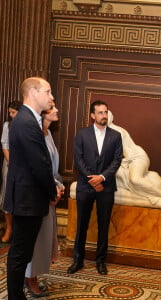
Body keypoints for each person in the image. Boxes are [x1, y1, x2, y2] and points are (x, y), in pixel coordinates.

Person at [3, 77, 62, 300]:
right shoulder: (27, 122)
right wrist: (52, 192)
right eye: (48, 92)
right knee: (20, 254)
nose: (52, 97)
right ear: (33, 93)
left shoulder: (28, 119)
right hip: (27, 199)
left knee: (23, 252)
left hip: (27, 197)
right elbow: (39, 164)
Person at [67, 100, 122, 276]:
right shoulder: (82, 134)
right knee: (81, 224)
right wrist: (92, 178)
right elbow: (78, 159)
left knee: (104, 225)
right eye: (100, 112)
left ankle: (100, 261)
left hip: (106, 187)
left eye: (105, 112)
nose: (104, 115)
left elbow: (117, 160)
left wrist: (102, 177)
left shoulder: (115, 136)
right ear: (92, 115)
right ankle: (78, 260)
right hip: (85, 186)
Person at [24, 101, 65, 298]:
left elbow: (52, 169)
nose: (56, 110)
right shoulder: (36, 134)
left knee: (43, 240)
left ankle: (34, 275)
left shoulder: (48, 134)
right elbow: (36, 169)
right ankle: (29, 279)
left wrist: (58, 186)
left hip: (49, 194)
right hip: (39, 196)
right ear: (43, 113)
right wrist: (51, 190)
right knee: (34, 240)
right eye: (52, 107)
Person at [107, 110, 161, 210]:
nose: (104, 117)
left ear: (111, 118)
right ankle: (152, 196)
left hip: (137, 157)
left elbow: (116, 153)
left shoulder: (117, 131)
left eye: (106, 114)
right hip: (127, 161)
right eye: (100, 114)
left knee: (135, 179)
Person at [0, 101, 23, 243]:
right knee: (7, 194)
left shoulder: (28, 125)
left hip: (24, 166)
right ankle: (9, 228)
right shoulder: (7, 125)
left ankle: (19, 230)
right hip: (9, 164)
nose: (11, 115)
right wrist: (11, 160)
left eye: (13, 112)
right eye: (10, 112)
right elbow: (5, 144)